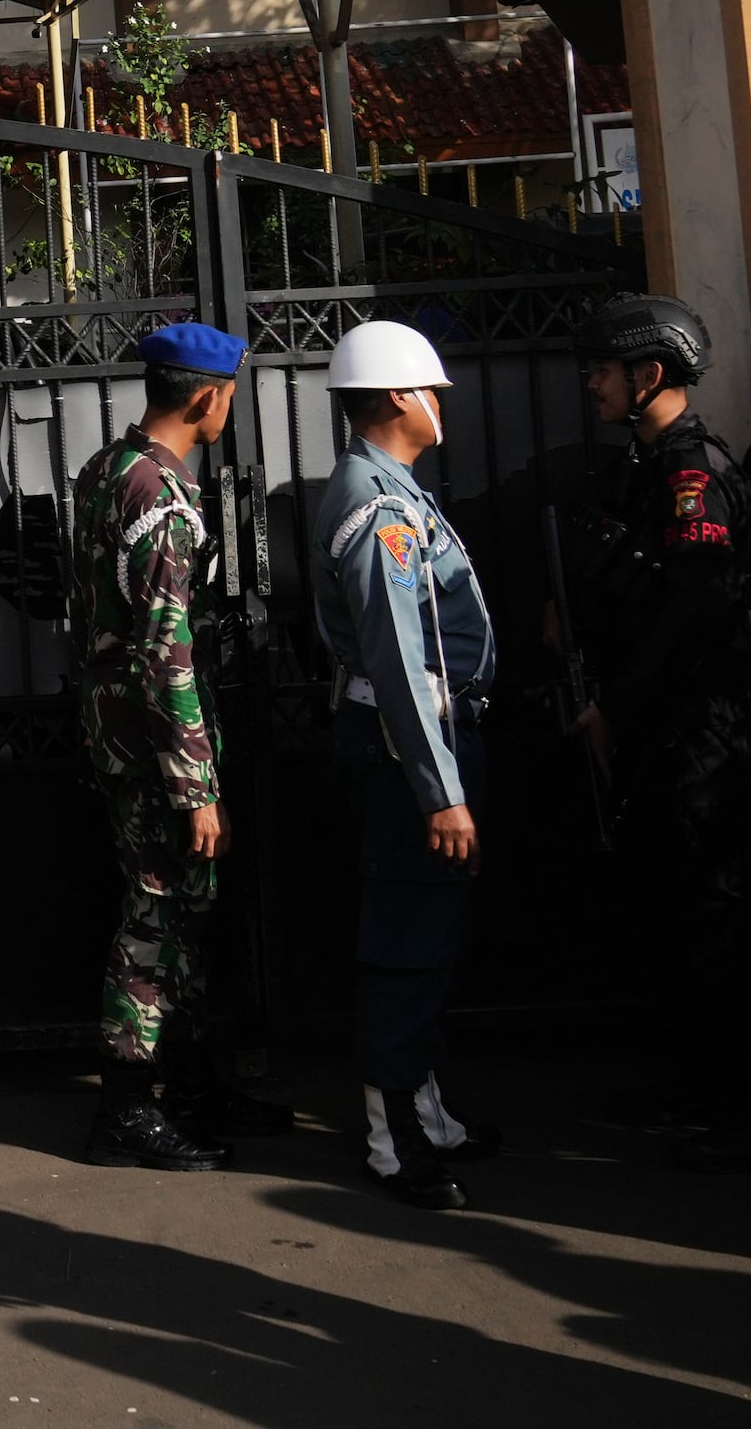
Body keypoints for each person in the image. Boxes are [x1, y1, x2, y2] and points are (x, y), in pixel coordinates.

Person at [565, 294, 751, 1170]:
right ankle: (701, 1086)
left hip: (697, 730)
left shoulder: (690, 473)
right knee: (673, 910)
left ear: (649, 374)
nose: (591, 384)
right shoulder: (645, 466)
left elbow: (695, 614)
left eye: (602, 370)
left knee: (715, 916)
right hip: (660, 726)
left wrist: (620, 708)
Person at [65, 321, 285, 1169]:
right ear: (207, 398)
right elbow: (166, 651)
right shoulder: (160, 498)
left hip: (122, 732)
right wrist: (197, 787)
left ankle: (189, 1083)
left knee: (184, 909)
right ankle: (125, 1108)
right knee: (157, 914)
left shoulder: (109, 469)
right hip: (156, 745)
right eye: (229, 395)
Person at [308, 320, 504, 1211]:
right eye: (433, 391)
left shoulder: (391, 488)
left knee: (429, 936)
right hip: (408, 751)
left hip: (424, 743)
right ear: (399, 396)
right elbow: (397, 659)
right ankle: (394, 1141)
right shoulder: (380, 507)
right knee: (404, 943)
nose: (440, 406)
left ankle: (426, 1113)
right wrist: (440, 791)